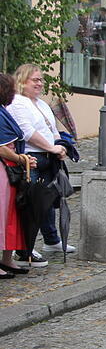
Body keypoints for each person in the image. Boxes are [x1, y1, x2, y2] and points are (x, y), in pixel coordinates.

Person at [8, 64, 71, 268]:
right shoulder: (17, 103)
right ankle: (25, 248)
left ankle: (52, 240)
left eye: (41, 80)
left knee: (47, 199)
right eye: (34, 79)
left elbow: (51, 128)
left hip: (47, 157)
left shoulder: (41, 104)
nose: (39, 83)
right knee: (31, 204)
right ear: (22, 81)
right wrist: (51, 148)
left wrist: (59, 146)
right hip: (30, 158)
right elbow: (27, 132)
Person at [0, 73, 34, 278]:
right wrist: (21, 159)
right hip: (3, 167)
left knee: (11, 214)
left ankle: (7, 258)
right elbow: (1, 148)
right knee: (1, 214)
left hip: (10, 166)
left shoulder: (3, 111)